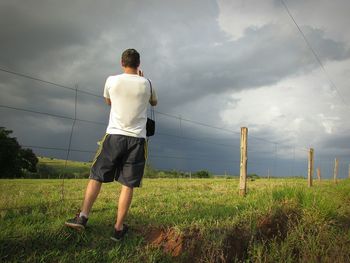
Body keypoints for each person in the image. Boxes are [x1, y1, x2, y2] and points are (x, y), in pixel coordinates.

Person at [65, 48, 158, 241]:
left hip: (114, 135)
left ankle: (83, 217)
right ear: (138, 64)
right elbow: (154, 102)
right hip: (137, 139)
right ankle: (118, 229)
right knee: (128, 184)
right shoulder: (147, 83)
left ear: (122, 63)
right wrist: (142, 82)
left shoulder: (111, 80)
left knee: (96, 176)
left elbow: (109, 101)